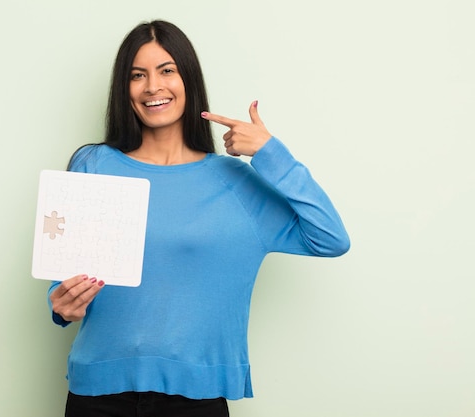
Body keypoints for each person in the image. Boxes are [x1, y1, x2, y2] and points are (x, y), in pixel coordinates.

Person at [47, 19, 350, 417]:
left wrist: (271, 153)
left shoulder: (236, 182)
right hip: (97, 395)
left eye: (167, 71)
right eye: (138, 75)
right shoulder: (92, 164)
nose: (153, 86)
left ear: (188, 78)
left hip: (195, 401)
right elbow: (65, 277)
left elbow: (330, 237)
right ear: (125, 89)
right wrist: (62, 305)